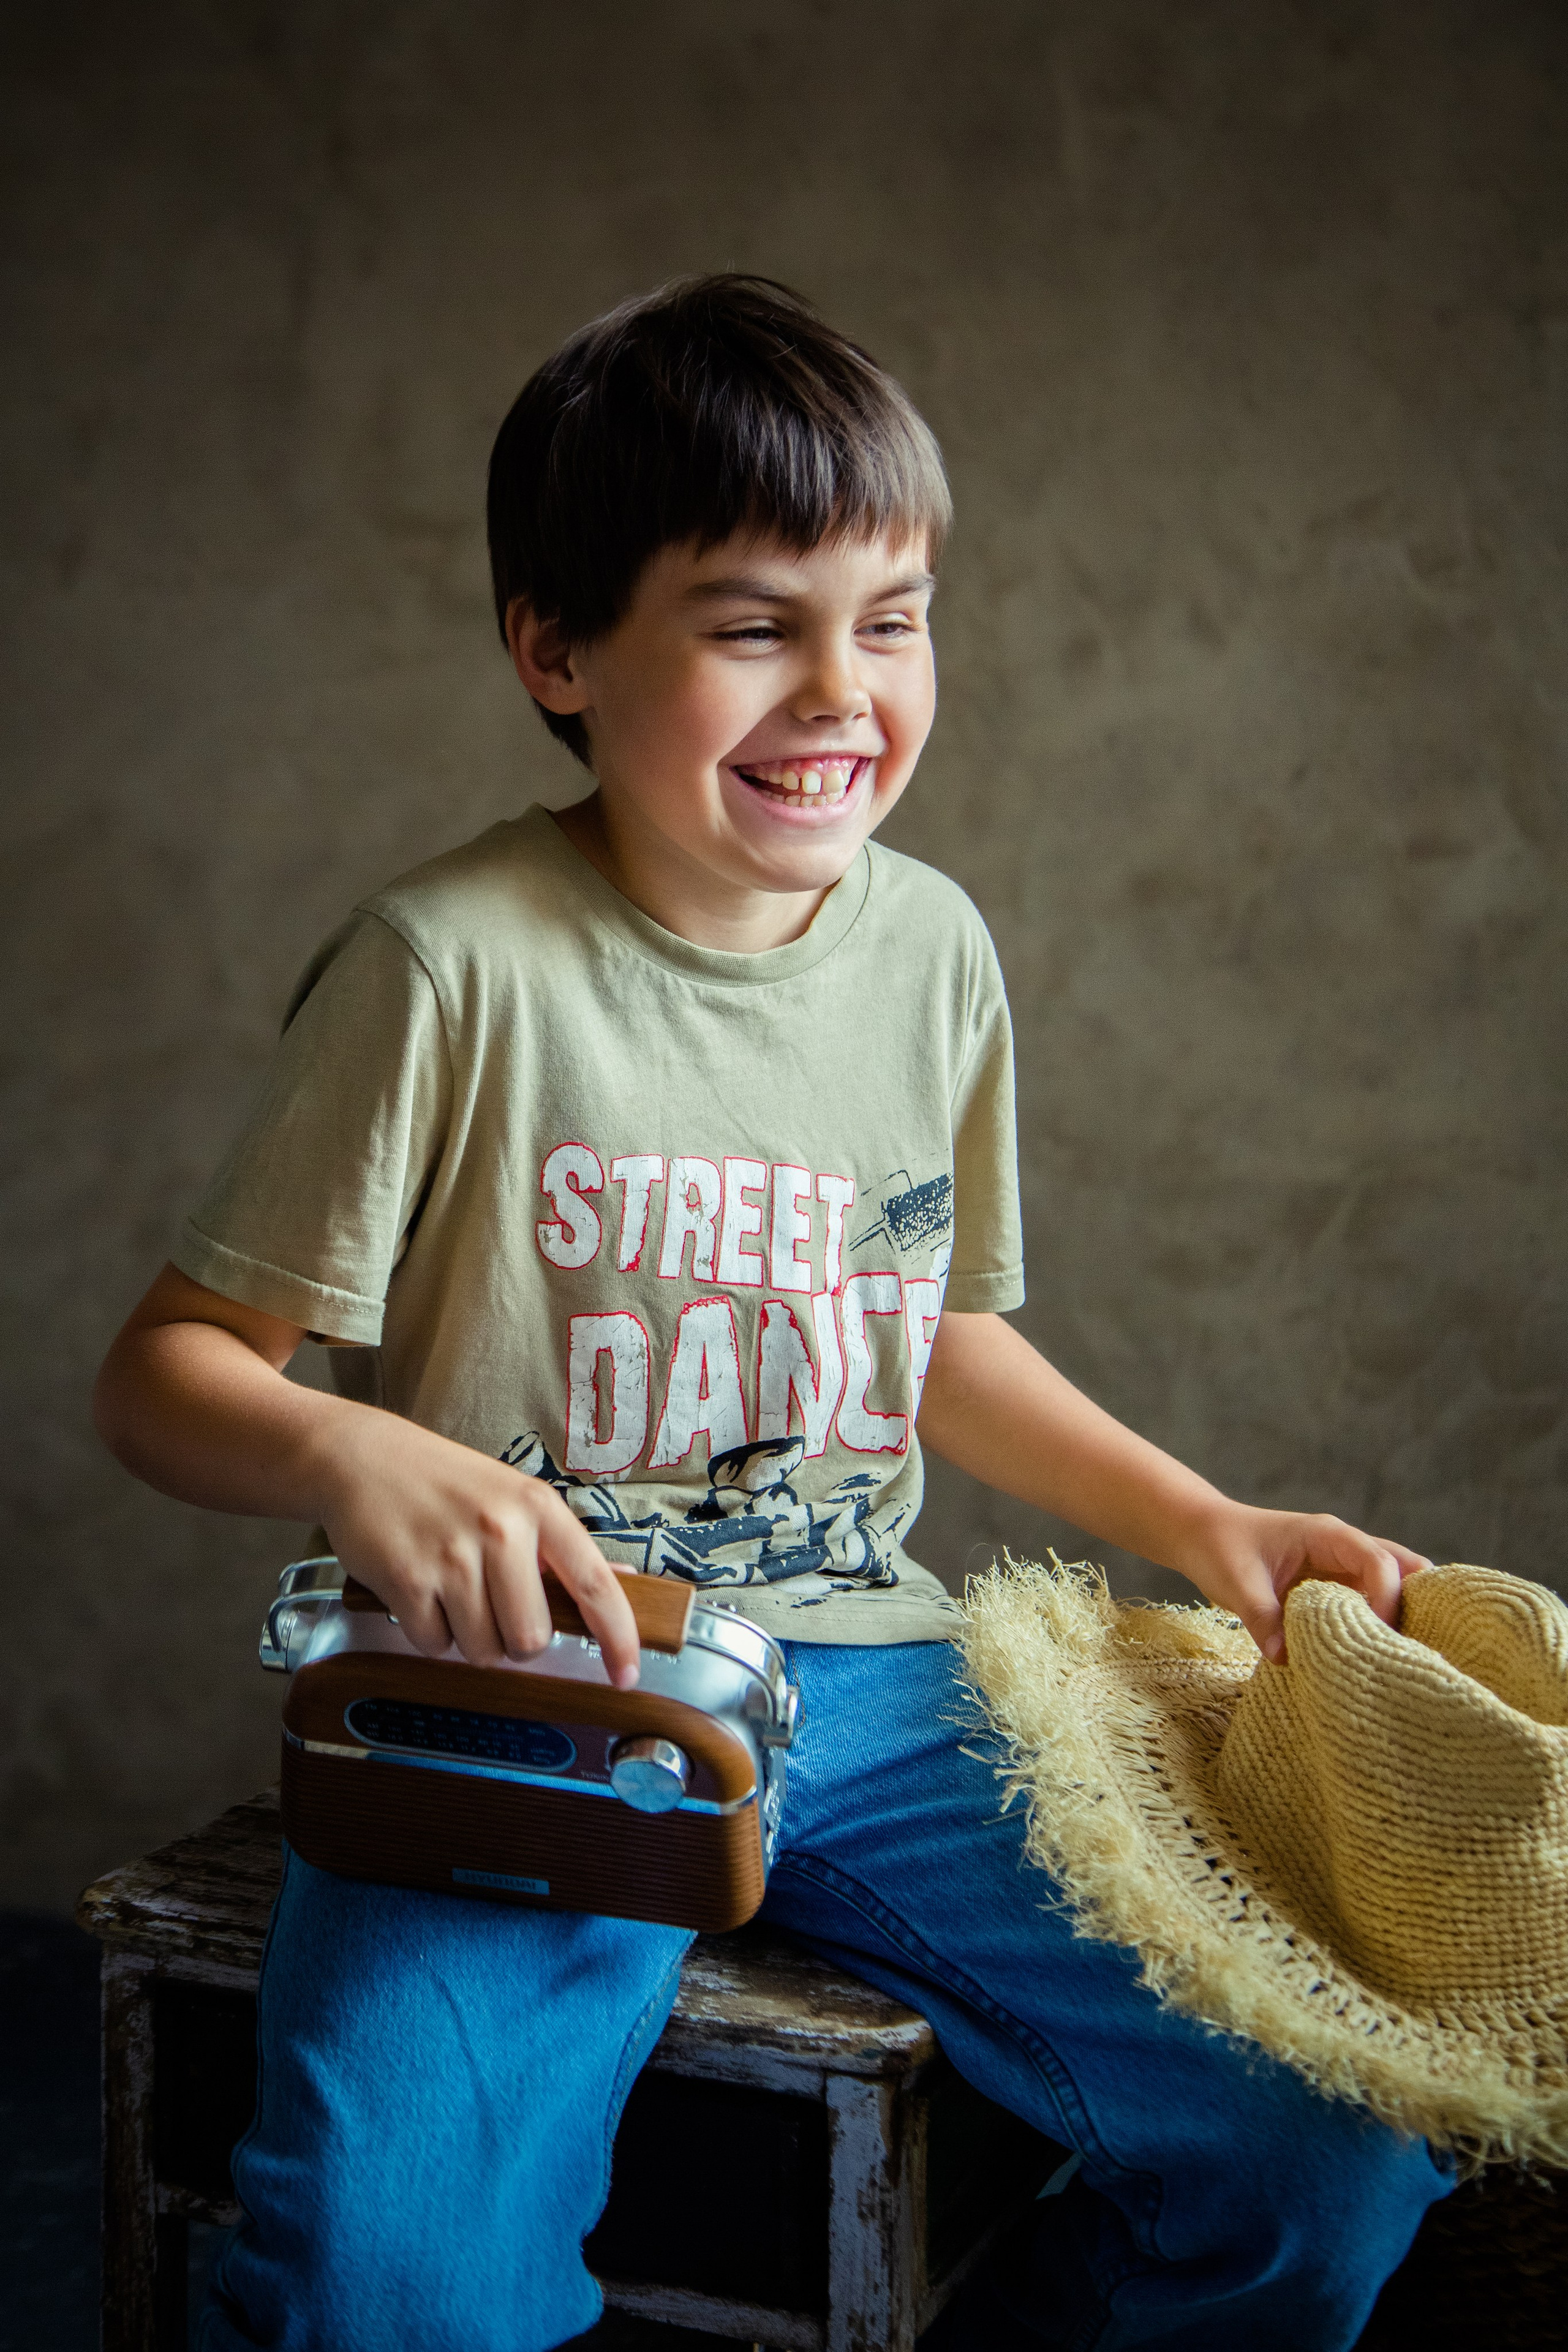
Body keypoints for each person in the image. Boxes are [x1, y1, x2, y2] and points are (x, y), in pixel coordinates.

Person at [93, 274, 1450, 2352]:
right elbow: (165, 1381)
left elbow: (930, 1335)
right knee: (394, 2287)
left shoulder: (933, 956)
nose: (843, 692)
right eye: (753, 626)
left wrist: (1205, 1526)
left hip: (875, 1688)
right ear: (556, 648)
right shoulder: (447, 967)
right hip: (528, 1698)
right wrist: (348, 1447)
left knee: (1323, 2161)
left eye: (891, 616)